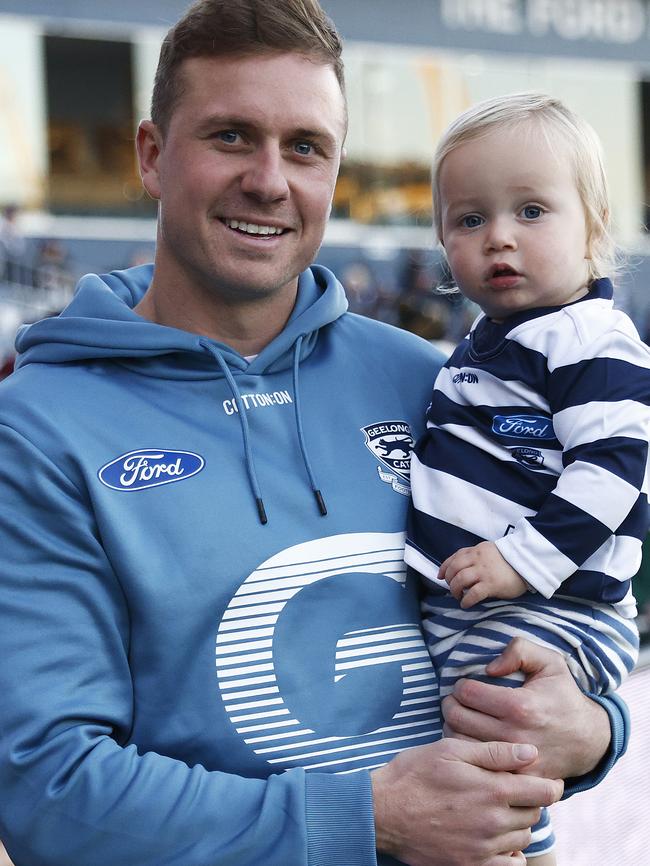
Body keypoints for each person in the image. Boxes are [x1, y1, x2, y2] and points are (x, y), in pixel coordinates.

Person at [0, 7, 628, 865]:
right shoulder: (38, 429)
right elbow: (48, 788)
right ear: (151, 154)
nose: (269, 180)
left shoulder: (430, 381)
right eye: (230, 136)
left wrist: (591, 727)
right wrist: (367, 818)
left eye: (305, 148)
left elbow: (564, 610)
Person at [405, 92, 648, 863]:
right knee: (468, 748)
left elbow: (614, 471)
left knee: (492, 754)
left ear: (595, 230)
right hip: (482, 610)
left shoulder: (588, 339)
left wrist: (522, 560)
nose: (499, 238)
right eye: (469, 220)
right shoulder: (488, 340)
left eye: (532, 211)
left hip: (557, 606)